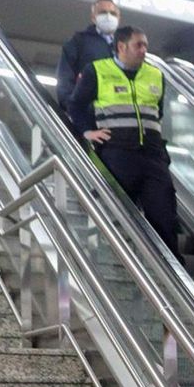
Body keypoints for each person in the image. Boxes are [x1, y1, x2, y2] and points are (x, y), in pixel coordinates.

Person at [66, 25, 178, 253]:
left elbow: (158, 112)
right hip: (117, 152)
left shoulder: (156, 74)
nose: (144, 50)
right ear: (121, 46)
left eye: (146, 44)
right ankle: (116, 262)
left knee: (164, 213)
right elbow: (75, 105)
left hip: (153, 154)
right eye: (138, 45)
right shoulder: (97, 71)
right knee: (117, 214)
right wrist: (88, 131)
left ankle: (172, 273)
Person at [56, 0, 119, 114]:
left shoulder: (124, 46)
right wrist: (71, 107)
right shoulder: (78, 41)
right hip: (89, 113)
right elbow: (64, 78)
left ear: (118, 18)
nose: (109, 16)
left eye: (113, 13)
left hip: (118, 116)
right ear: (93, 18)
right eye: (103, 12)